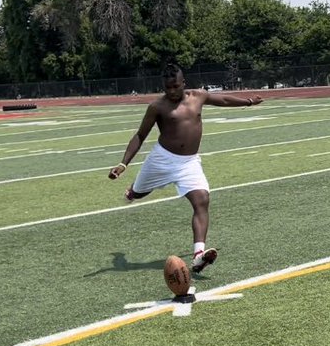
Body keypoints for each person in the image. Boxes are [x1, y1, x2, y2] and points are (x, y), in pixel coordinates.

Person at [108, 64, 263, 273]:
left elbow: (224, 100)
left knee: (202, 199)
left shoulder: (198, 96)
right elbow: (140, 135)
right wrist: (123, 163)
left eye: (175, 86)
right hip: (161, 160)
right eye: (167, 87)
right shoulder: (157, 107)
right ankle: (133, 190)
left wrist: (249, 102)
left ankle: (199, 256)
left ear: (184, 83)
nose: (171, 91)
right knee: (138, 192)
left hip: (188, 163)